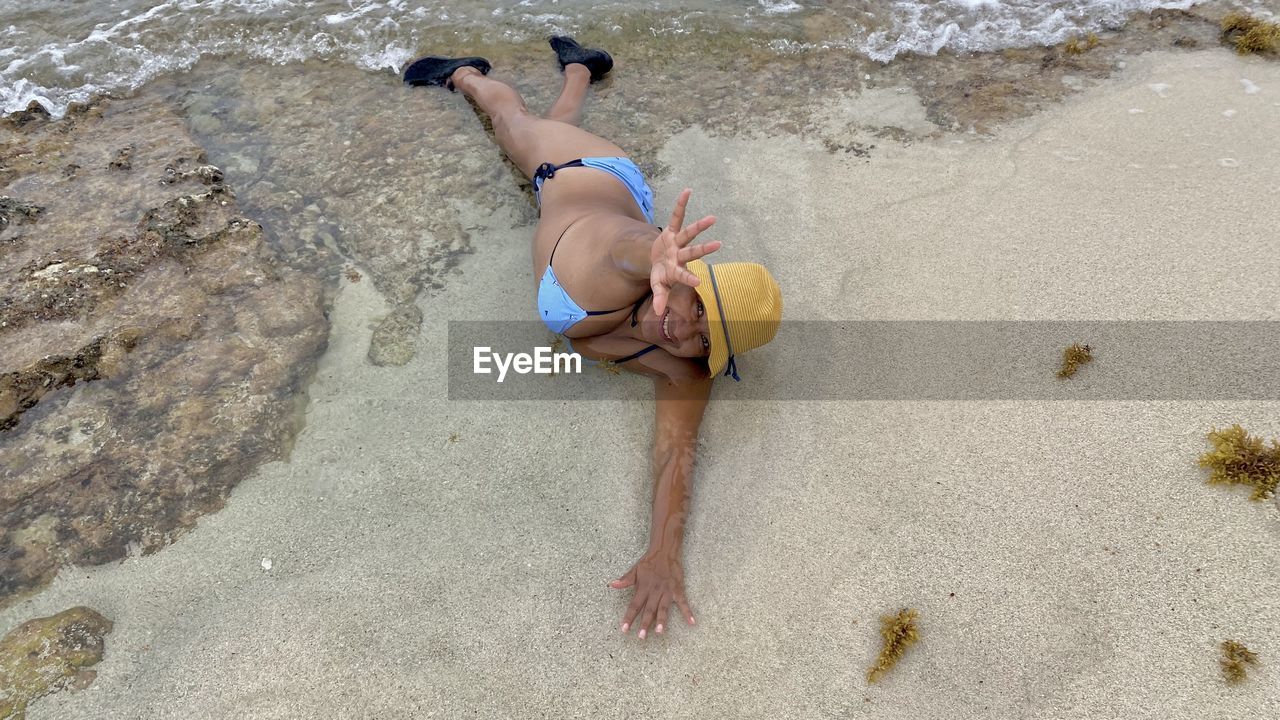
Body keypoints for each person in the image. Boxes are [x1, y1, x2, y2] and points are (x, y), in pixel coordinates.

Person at [405, 37, 782, 639]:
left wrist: (664, 551)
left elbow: (675, 457)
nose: (682, 329)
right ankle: (466, 76)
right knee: (512, 123)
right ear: (682, 278)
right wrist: (652, 251)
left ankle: (582, 66)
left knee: (551, 128)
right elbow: (622, 250)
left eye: (706, 340)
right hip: (585, 179)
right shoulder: (617, 263)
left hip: (601, 188)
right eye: (695, 305)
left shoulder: (684, 366)